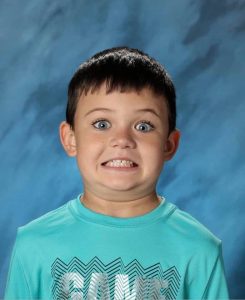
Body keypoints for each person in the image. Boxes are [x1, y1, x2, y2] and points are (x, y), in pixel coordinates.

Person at [4, 47, 230, 299]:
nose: (122, 140)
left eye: (143, 126)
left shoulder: (198, 249)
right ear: (70, 139)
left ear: (169, 145)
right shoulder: (35, 244)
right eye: (101, 124)